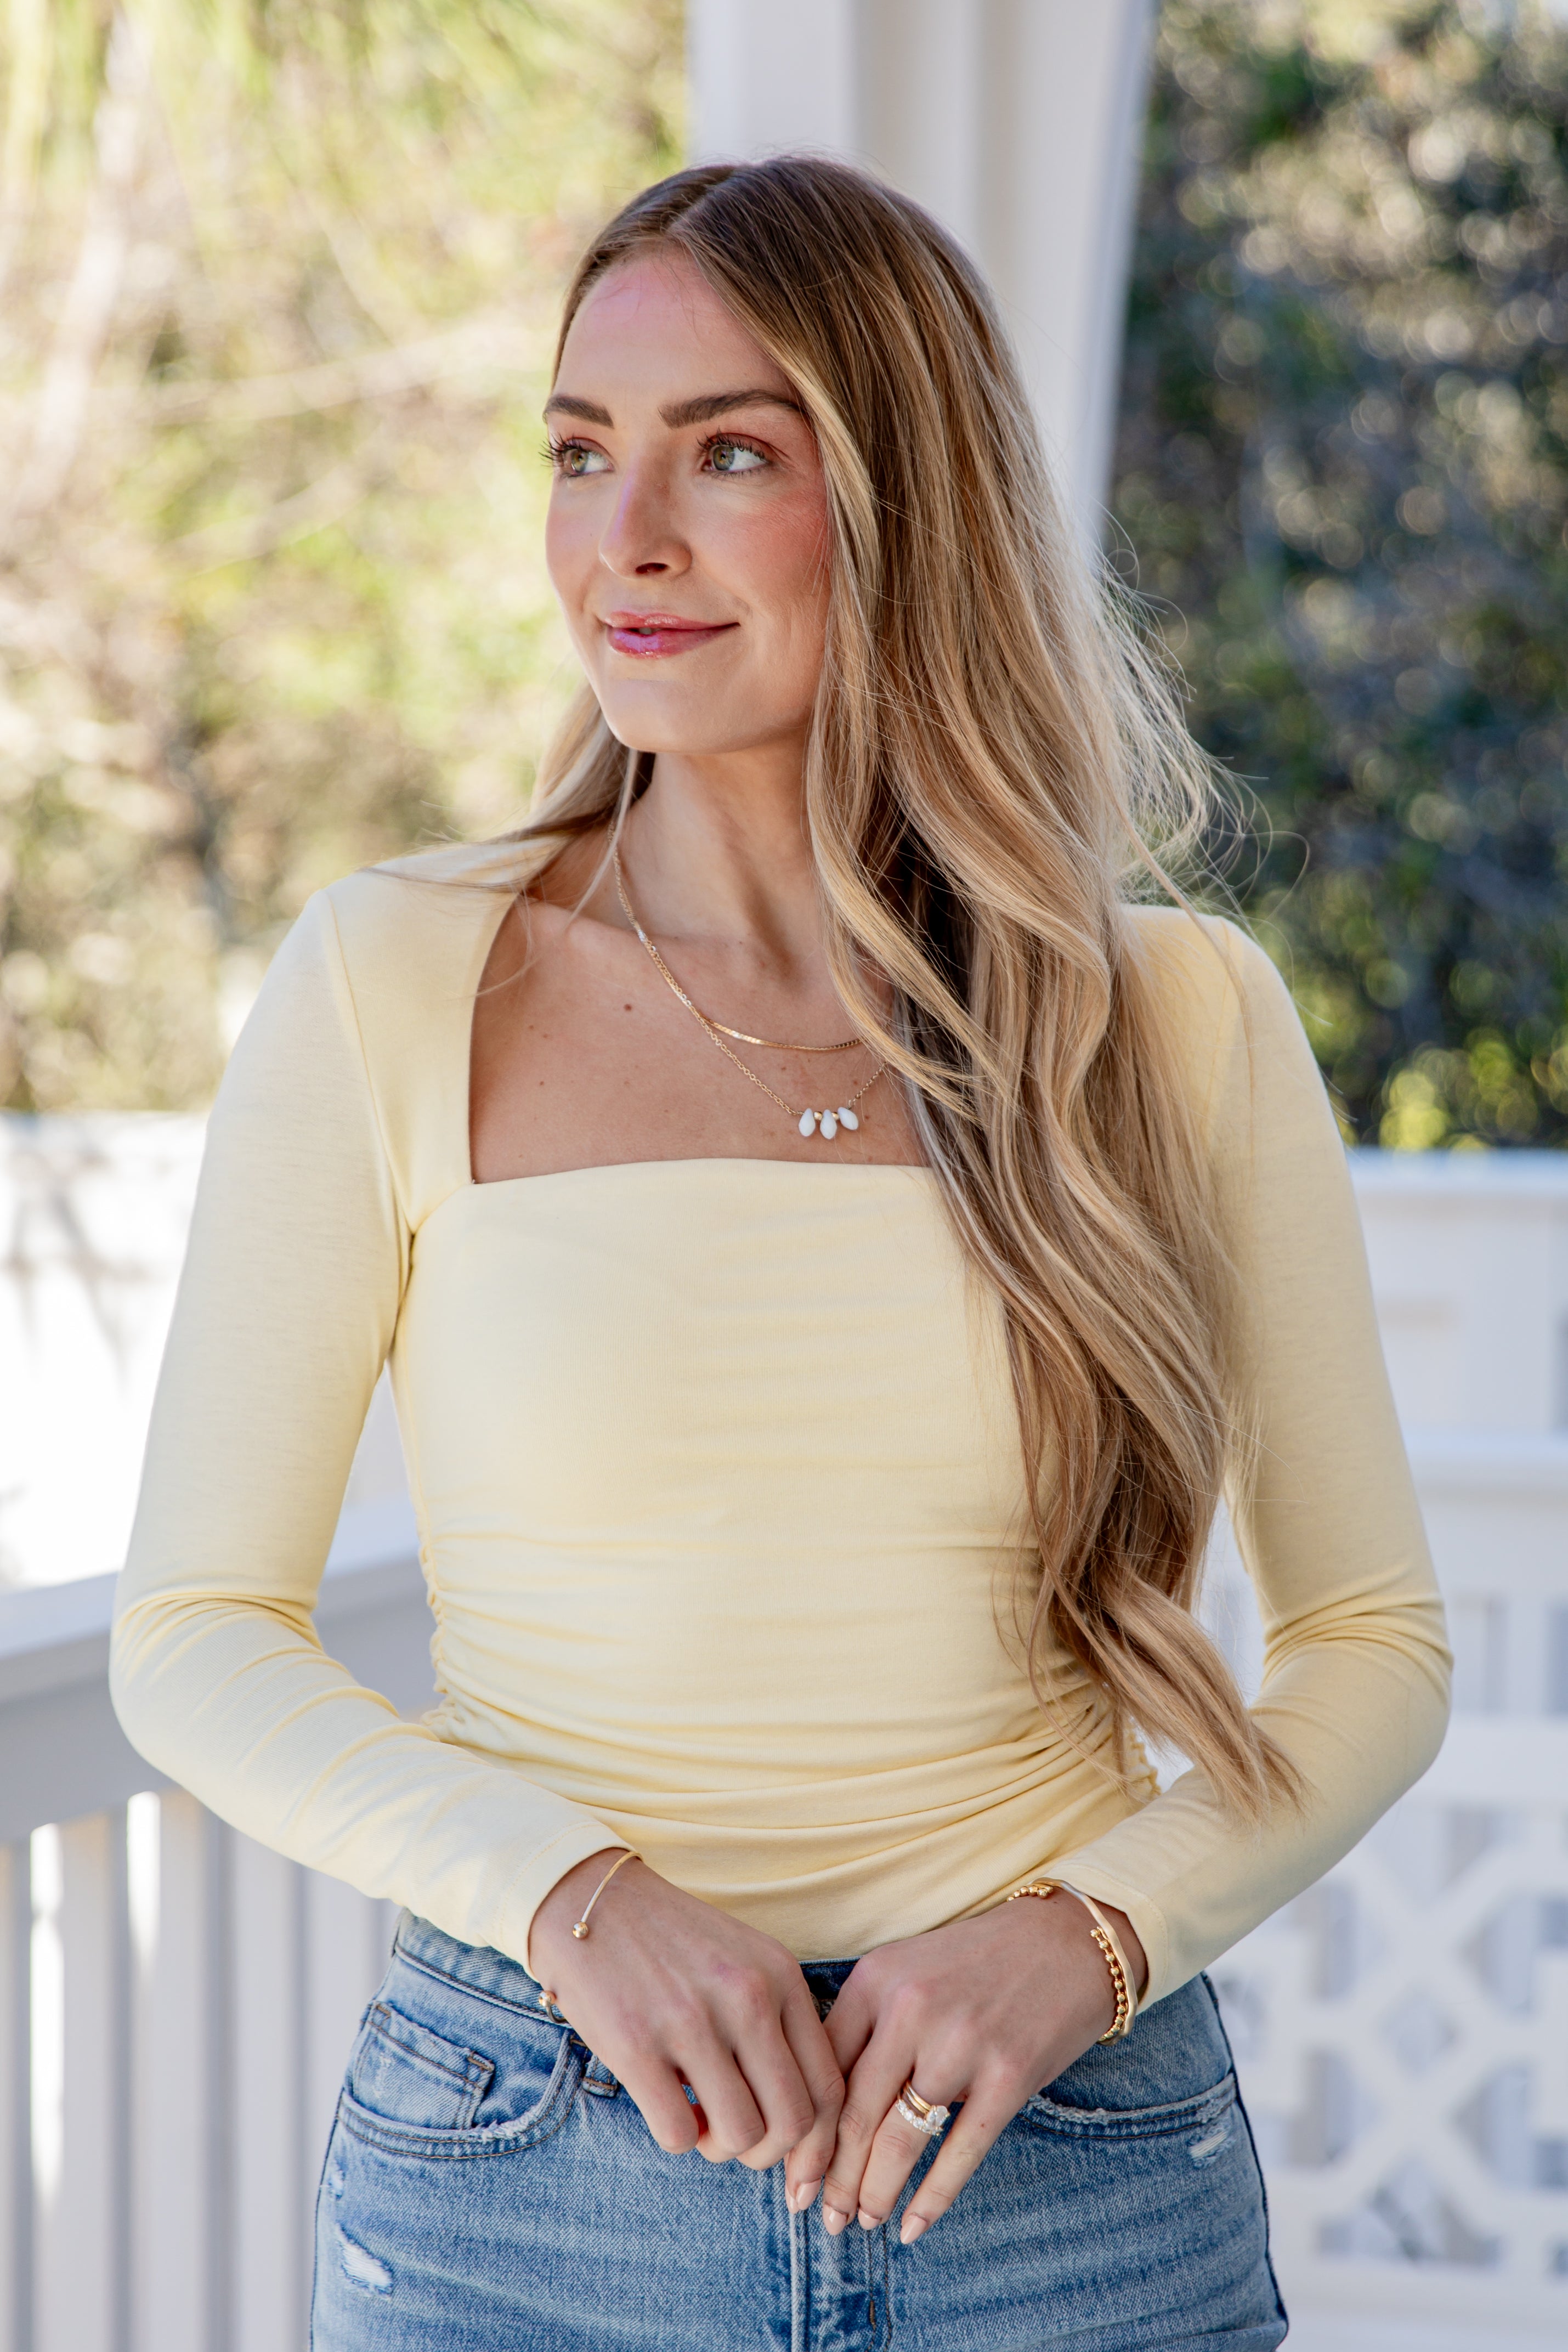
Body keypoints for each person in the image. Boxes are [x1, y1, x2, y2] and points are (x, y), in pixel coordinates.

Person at [111, 157, 1450, 2351]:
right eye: (578, 450)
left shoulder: (1173, 1018)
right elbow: (194, 1631)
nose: (618, 536)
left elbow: (1371, 1639)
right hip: (526, 2173)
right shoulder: (394, 980)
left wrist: (1094, 1938)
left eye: (727, 450)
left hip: (1067, 2179)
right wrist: (569, 1895)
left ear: (899, 496)